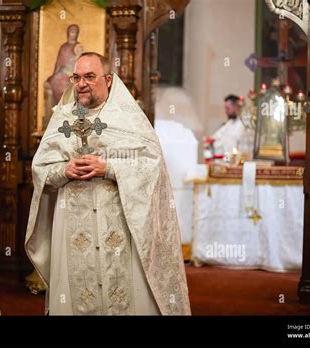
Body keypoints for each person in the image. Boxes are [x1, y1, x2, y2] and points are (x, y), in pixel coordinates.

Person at [25, 52, 191, 315]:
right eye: (76, 77)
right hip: (72, 226)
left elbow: (152, 165)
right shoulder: (63, 118)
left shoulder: (127, 117)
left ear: (109, 80)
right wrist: (64, 169)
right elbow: (41, 168)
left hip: (120, 226)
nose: (81, 83)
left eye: (90, 77)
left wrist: (110, 167)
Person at [210, 94, 248, 159]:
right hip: (225, 160)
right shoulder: (229, 123)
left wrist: (227, 158)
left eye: (227, 108)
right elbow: (214, 138)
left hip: (236, 161)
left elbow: (235, 145)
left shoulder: (244, 124)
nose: (225, 111)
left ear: (236, 107)